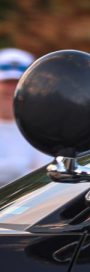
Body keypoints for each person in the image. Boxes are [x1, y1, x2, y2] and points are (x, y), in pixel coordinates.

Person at [0, 48, 50, 184]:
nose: (12, 89)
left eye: (17, 83)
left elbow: (43, 179)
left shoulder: (42, 130)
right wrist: (21, 168)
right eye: (6, 82)